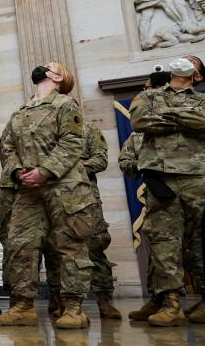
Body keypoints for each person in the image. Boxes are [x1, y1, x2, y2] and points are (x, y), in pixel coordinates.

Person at [0, 62, 94, 329]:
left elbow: (72, 143)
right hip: (27, 190)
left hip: (65, 187)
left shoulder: (65, 105)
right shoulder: (20, 112)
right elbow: (6, 146)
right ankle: (23, 306)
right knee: (20, 245)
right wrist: (17, 172)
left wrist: (45, 171)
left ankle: (73, 308)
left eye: (48, 66)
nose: (40, 67)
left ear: (58, 77)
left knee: (70, 246)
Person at [129, 55, 205, 326]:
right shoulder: (148, 96)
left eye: (192, 61)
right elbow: (139, 122)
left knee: (199, 241)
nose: (184, 61)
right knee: (164, 241)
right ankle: (171, 301)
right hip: (162, 177)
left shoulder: (202, 99)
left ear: (198, 76)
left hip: (197, 176)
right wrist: (187, 119)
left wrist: (169, 116)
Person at [43, 116, 120, 320]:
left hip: (85, 198)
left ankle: (104, 300)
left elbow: (100, 160)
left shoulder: (87, 129)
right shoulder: (44, 132)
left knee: (95, 247)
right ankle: (60, 299)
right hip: (53, 199)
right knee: (55, 249)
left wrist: (65, 168)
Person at [119, 70, 169, 321]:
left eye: (149, 88)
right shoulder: (137, 136)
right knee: (161, 248)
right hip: (159, 196)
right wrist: (144, 166)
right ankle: (162, 300)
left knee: (195, 247)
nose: (145, 93)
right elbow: (126, 162)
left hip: (195, 191)